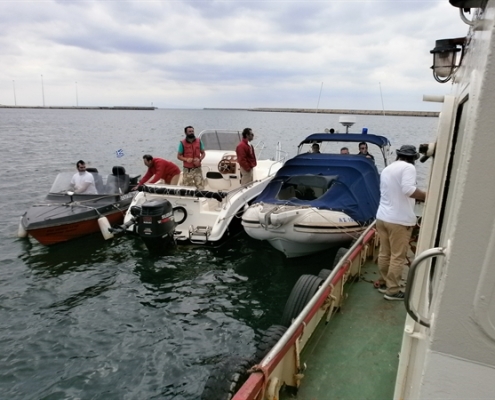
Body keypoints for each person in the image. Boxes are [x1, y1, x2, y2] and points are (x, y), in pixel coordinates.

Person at [375, 145, 426, 301]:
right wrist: (427, 195)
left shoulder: (387, 169)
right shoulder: (409, 168)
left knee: (385, 253)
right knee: (397, 256)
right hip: (399, 221)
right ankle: (392, 290)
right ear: (413, 159)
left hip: (382, 218)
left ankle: (384, 282)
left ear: (399, 155)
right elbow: (408, 190)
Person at [177, 126, 205, 190]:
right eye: (189, 131)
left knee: (200, 186)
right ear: (185, 133)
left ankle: (200, 196)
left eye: (192, 131)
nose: (191, 133)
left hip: (197, 169)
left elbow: (203, 153)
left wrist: (200, 159)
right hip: (187, 169)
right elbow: (178, 156)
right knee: (188, 187)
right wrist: (186, 159)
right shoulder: (182, 143)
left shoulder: (199, 141)